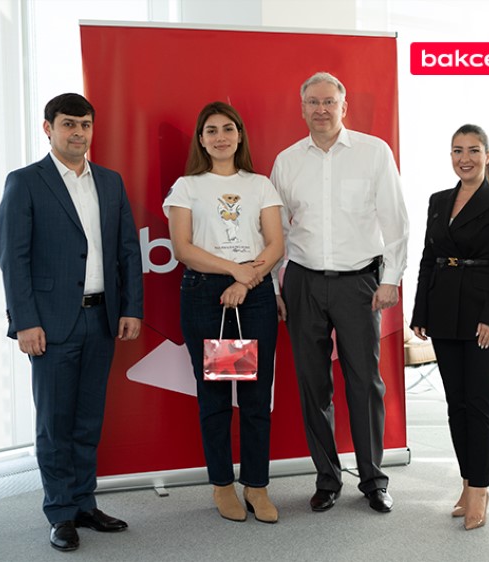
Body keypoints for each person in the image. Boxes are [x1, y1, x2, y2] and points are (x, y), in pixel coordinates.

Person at [0, 93, 144, 552]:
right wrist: (25, 321)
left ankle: (84, 503)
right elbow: (14, 258)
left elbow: (127, 251)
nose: (78, 133)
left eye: (84, 125)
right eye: (68, 124)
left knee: (88, 419)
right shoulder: (25, 182)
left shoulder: (110, 182)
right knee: (55, 423)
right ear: (49, 128)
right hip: (51, 323)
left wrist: (131, 308)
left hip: (101, 318)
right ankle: (60, 512)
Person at [271, 72, 409, 514]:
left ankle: (373, 480)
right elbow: (274, 229)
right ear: (302, 109)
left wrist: (391, 279)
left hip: (359, 284)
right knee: (313, 385)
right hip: (303, 282)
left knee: (365, 383)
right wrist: (276, 285)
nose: (322, 109)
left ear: (343, 107)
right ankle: (327, 479)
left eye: (329, 101)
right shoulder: (287, 161)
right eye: (313, 102)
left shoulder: (374, 152)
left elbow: (395, 221)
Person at [163, 102, 284, 524]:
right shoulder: (187, 187)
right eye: (211, 130)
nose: (220, 137)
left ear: (239, 136)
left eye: (228, 129)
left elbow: (275, 245)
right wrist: (234, 271)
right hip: (207, 296)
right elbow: (183, 249)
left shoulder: (260, 185)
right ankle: (221, 485)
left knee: (255, 396)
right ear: (201, 139)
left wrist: (245, 281)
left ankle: (256, 485)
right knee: (215, 396)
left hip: (253, 294)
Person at [410, 124, 489, 530]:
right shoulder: (438, 200)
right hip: (442, 310)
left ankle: (479, 488)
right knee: (455, 403)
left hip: (483, 313)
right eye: (457, 150)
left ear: (487, 155)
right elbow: (428, 258)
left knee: (478, 402)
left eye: (474, 150)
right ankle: (466, 481)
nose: (465, 158)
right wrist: (420, 312)